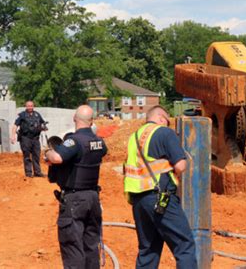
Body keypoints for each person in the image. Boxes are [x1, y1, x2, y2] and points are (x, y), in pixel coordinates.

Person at [124, 105, 197, 269]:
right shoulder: (164, 132)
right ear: (161, 118)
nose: (167, 125)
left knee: (148, 250)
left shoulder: (134, 137)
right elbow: (180, 165)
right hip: (160, 198)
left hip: (138, 200)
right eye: (167, 122)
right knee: (184, 246)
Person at [44, 105, 107, 269]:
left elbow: (57, 158)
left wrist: (48, 154)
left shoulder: (74, 140)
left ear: (74, 118)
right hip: (93, 198)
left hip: (74, 200)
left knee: (72, 246)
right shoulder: (99, 142)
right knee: (91, 246)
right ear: (91, 121)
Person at [11, 101, 47, 177]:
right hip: (25, 138)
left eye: (31, 106)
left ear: (33, 106)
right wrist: (13, 136)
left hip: (35, 139)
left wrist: (43, 128)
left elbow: (42, 124)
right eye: (28, 106)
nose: (30, 107)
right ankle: (28, 173)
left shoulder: (37, 115)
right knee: (27, 156)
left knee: (36, 155)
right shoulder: (22, 115)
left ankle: (37, 172)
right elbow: (15, 126)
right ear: (26, 106)